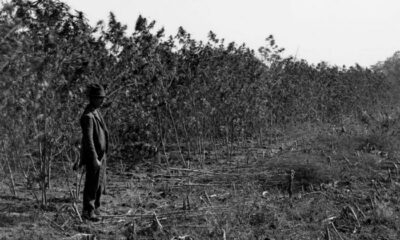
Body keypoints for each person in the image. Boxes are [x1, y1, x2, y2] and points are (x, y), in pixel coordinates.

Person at [78, 83, 109, 221]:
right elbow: (88, 140)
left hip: (101, 156)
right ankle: (88, 211)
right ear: (93, 98)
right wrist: (95, 158)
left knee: (99, 184)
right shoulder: (88, 116)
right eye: (100, 98)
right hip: (94, 157)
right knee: (92, 184)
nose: (103, 101)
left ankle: (96, 209)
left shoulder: (96, 112)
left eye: (103, 98)